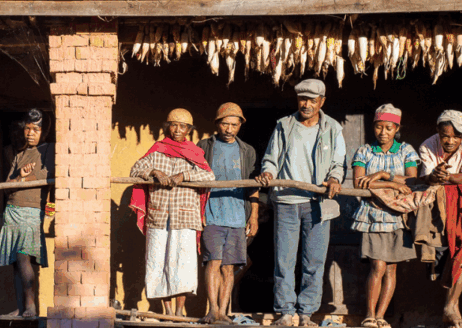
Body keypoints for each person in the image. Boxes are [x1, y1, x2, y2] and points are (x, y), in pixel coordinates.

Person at [256, 79, 346, 327]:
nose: (306, 104)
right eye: (302, 99)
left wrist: (335, 178)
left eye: (312, 100)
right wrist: (268, 173)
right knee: (284, 259)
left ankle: (306, 314)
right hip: (286, 200)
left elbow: (339, 163)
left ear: (322, 102)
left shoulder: (333, 128)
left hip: (318, 203)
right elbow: (271, 159)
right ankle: (285, 312)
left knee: (314, 260)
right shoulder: (284, 125)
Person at [129, 108, 215, 317]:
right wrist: (153, 172)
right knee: (158, 263)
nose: (178, 130)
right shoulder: (156, 151)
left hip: (185, 217)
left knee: (181, 265)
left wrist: (183, 176)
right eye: (174, 125)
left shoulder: (194, 153)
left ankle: (179, 311)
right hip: (158, 217)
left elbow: (209, 177)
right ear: (167, 127)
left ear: (189, 130)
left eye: (183, 126)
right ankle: (166, 311)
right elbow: (134, 170)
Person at [351, 104, 420, 328]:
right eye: (379, 127)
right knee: (377, 266)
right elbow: (359, 183)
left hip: (399, 216)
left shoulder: (407, 150)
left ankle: (381, 316)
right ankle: (369, 315)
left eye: (388, 128)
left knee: (391, 267)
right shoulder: (364, 151)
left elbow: (412, 181)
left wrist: (381, 175)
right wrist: (393, 183)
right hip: (373, 215)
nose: (383, 132)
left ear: (397, 128)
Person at [418, 110, 462, 328]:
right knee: (444, 259)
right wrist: (433, 177)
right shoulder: (428, 145)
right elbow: (427, 177)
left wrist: (444, 177)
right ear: (438, 132)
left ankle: (451, 306)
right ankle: (452, 308)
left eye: (456, 136)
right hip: (439, 212)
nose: (451, 140)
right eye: (446, 135)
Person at [196, 103, 259, 325]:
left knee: (229, 267)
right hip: (211, 214)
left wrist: (253, 217)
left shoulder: (247, 151)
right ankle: (212, 310)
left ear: (240, 125)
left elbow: (254, 185)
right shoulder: (204, 146)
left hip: (237, 217)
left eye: (234, 124)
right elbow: (195, 181)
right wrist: (198, 209)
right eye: (225, 124)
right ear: (217, 124)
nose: (229, 129)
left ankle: (223, 311)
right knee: (213, 262)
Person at [0, 109, 55, 318]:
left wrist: (18, 181)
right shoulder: (19, 154)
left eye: (35, 129)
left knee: (23, 258)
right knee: (15, 262)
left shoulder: (49, 150)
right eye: (27, 128)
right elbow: (6, 186)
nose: (30, 133)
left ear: (44, 131)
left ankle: (31, 307)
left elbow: (42, 176)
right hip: (11, 210)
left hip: (30, 210)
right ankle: (20, 308)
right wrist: (19, 178)